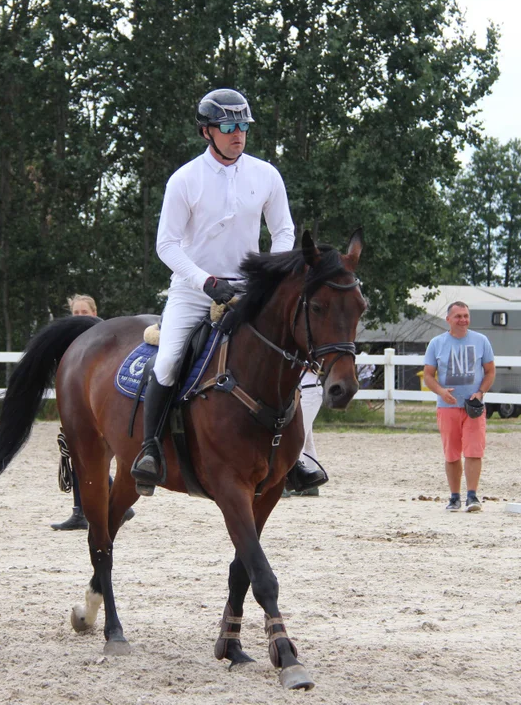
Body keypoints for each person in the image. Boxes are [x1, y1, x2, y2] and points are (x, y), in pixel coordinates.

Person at [130, 87, 326, 496]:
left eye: (243, 126)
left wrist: (271, 274)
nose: (238, 134)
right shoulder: (184, 180)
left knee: (286, 362)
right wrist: (205, 281)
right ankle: (150, 451)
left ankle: (295, 461)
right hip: (194, 290)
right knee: (167, 362)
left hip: (250, 289)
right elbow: (166, 245)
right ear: (207, 132)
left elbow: (284, 230)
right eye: (229, 126)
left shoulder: (266, 174)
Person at [52, 295, 135, 530]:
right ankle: (83, 510)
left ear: (95, 313)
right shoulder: (69, 342)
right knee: (78, 454)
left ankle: (112, 501)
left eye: (84, 313)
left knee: (88, 456)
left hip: (100, 409)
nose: (79, 317)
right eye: (75, 313)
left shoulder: (105, 342)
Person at [422, 301, 495, 513]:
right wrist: (441, 391)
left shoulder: (481, 341)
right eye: (458, 316)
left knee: (474, 451)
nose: (463, 320)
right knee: (451, 454)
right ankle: (454, 497)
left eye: (465, 315)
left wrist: (480, 392)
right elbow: (428, 375)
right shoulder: (436, 343)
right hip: (447, 407)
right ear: (448, 320)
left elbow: (490, 371)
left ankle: (472, 495)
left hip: (473, 406)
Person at [284, 369, 326, 497]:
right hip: (303, 388)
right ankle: (310, 483)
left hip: (309, 390)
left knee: (298, 437)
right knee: (307, 439)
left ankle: (293, 480)